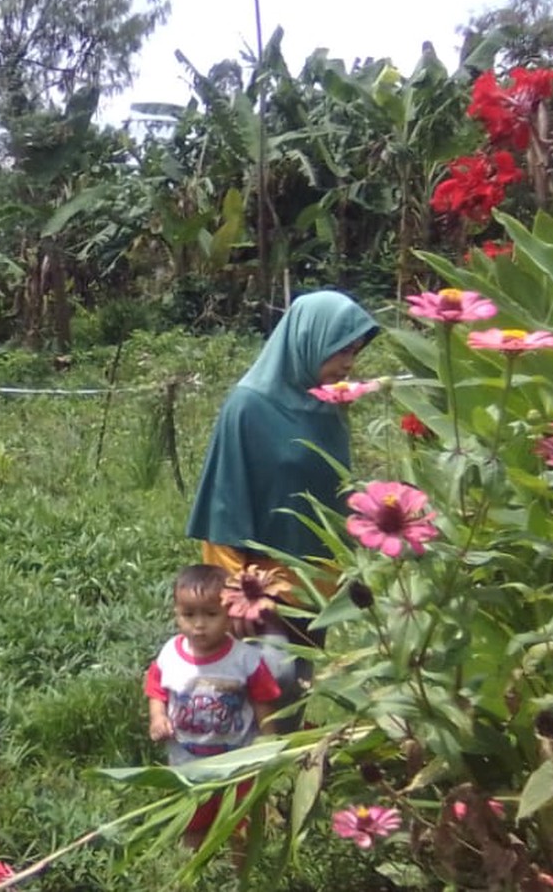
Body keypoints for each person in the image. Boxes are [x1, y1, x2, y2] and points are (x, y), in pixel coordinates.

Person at [186, 289, 378, 643]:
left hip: (317, 588)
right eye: (341, 350)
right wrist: (234, 595)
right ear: (308, 340)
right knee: (270, 683)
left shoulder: (328, 407)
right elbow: (224, 506)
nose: (349, 363)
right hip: (263, 592)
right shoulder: (248, 408)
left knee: (299, 687)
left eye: (354, 351)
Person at [146, 564, 282, 842]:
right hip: (187, 764)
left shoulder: (245, 660)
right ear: (176, 614)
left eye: (210, 614)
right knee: (192, 822)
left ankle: (242, 872)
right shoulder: (170, 654)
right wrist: (157, 717)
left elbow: (263, 701)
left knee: (240, 824)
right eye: (188, 615)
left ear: (229, 614)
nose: (198, 624)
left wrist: (271, 743)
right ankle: (196, 874)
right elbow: (156, 688)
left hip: (238, 763)